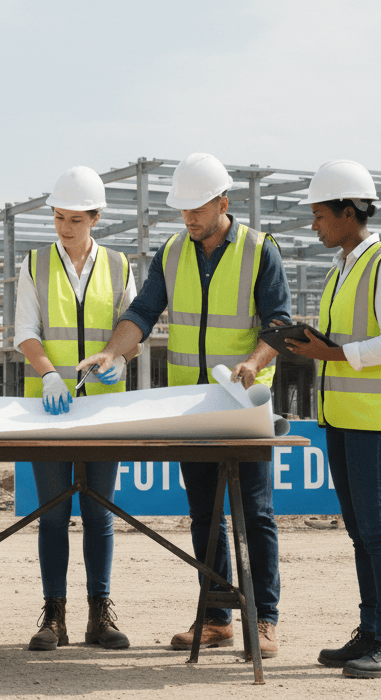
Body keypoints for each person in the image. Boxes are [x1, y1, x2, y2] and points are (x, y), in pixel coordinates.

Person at [78, 152, 290, 660]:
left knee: (254, 515)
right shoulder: (174, 252)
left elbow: (278, 324)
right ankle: (216, 617)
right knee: (203, 514)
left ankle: (264, 620)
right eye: (183, 210)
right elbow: (143, 312)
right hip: (193, 406)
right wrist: (114, 349)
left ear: (223, 201)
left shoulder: (261, 251)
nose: (189, 218)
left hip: (242, 404)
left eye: (197, 208)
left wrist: (253, 362)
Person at [281, 159, 381, 679]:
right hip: (343, 416)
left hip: (378, 418)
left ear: (348, 211)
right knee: (360, 531)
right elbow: (344, 338)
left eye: (320, 214)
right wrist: (310, 341)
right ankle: (371, 631)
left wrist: (333, 355)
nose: (314, 224)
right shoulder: (342, 267)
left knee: (377, 530)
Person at [15, 166, 138, 651]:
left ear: (96, 218)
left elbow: (133, 328)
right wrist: (47, 372)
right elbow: (26, 329)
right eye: (59, 217)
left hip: (103, 411)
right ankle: (54, 616)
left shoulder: (119, 265)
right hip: (50, 410)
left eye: (76, 220)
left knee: (99, 513)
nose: (65, 228)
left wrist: (121, 360)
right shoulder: (35, 264)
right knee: (52, 512)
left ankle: (98, 615)